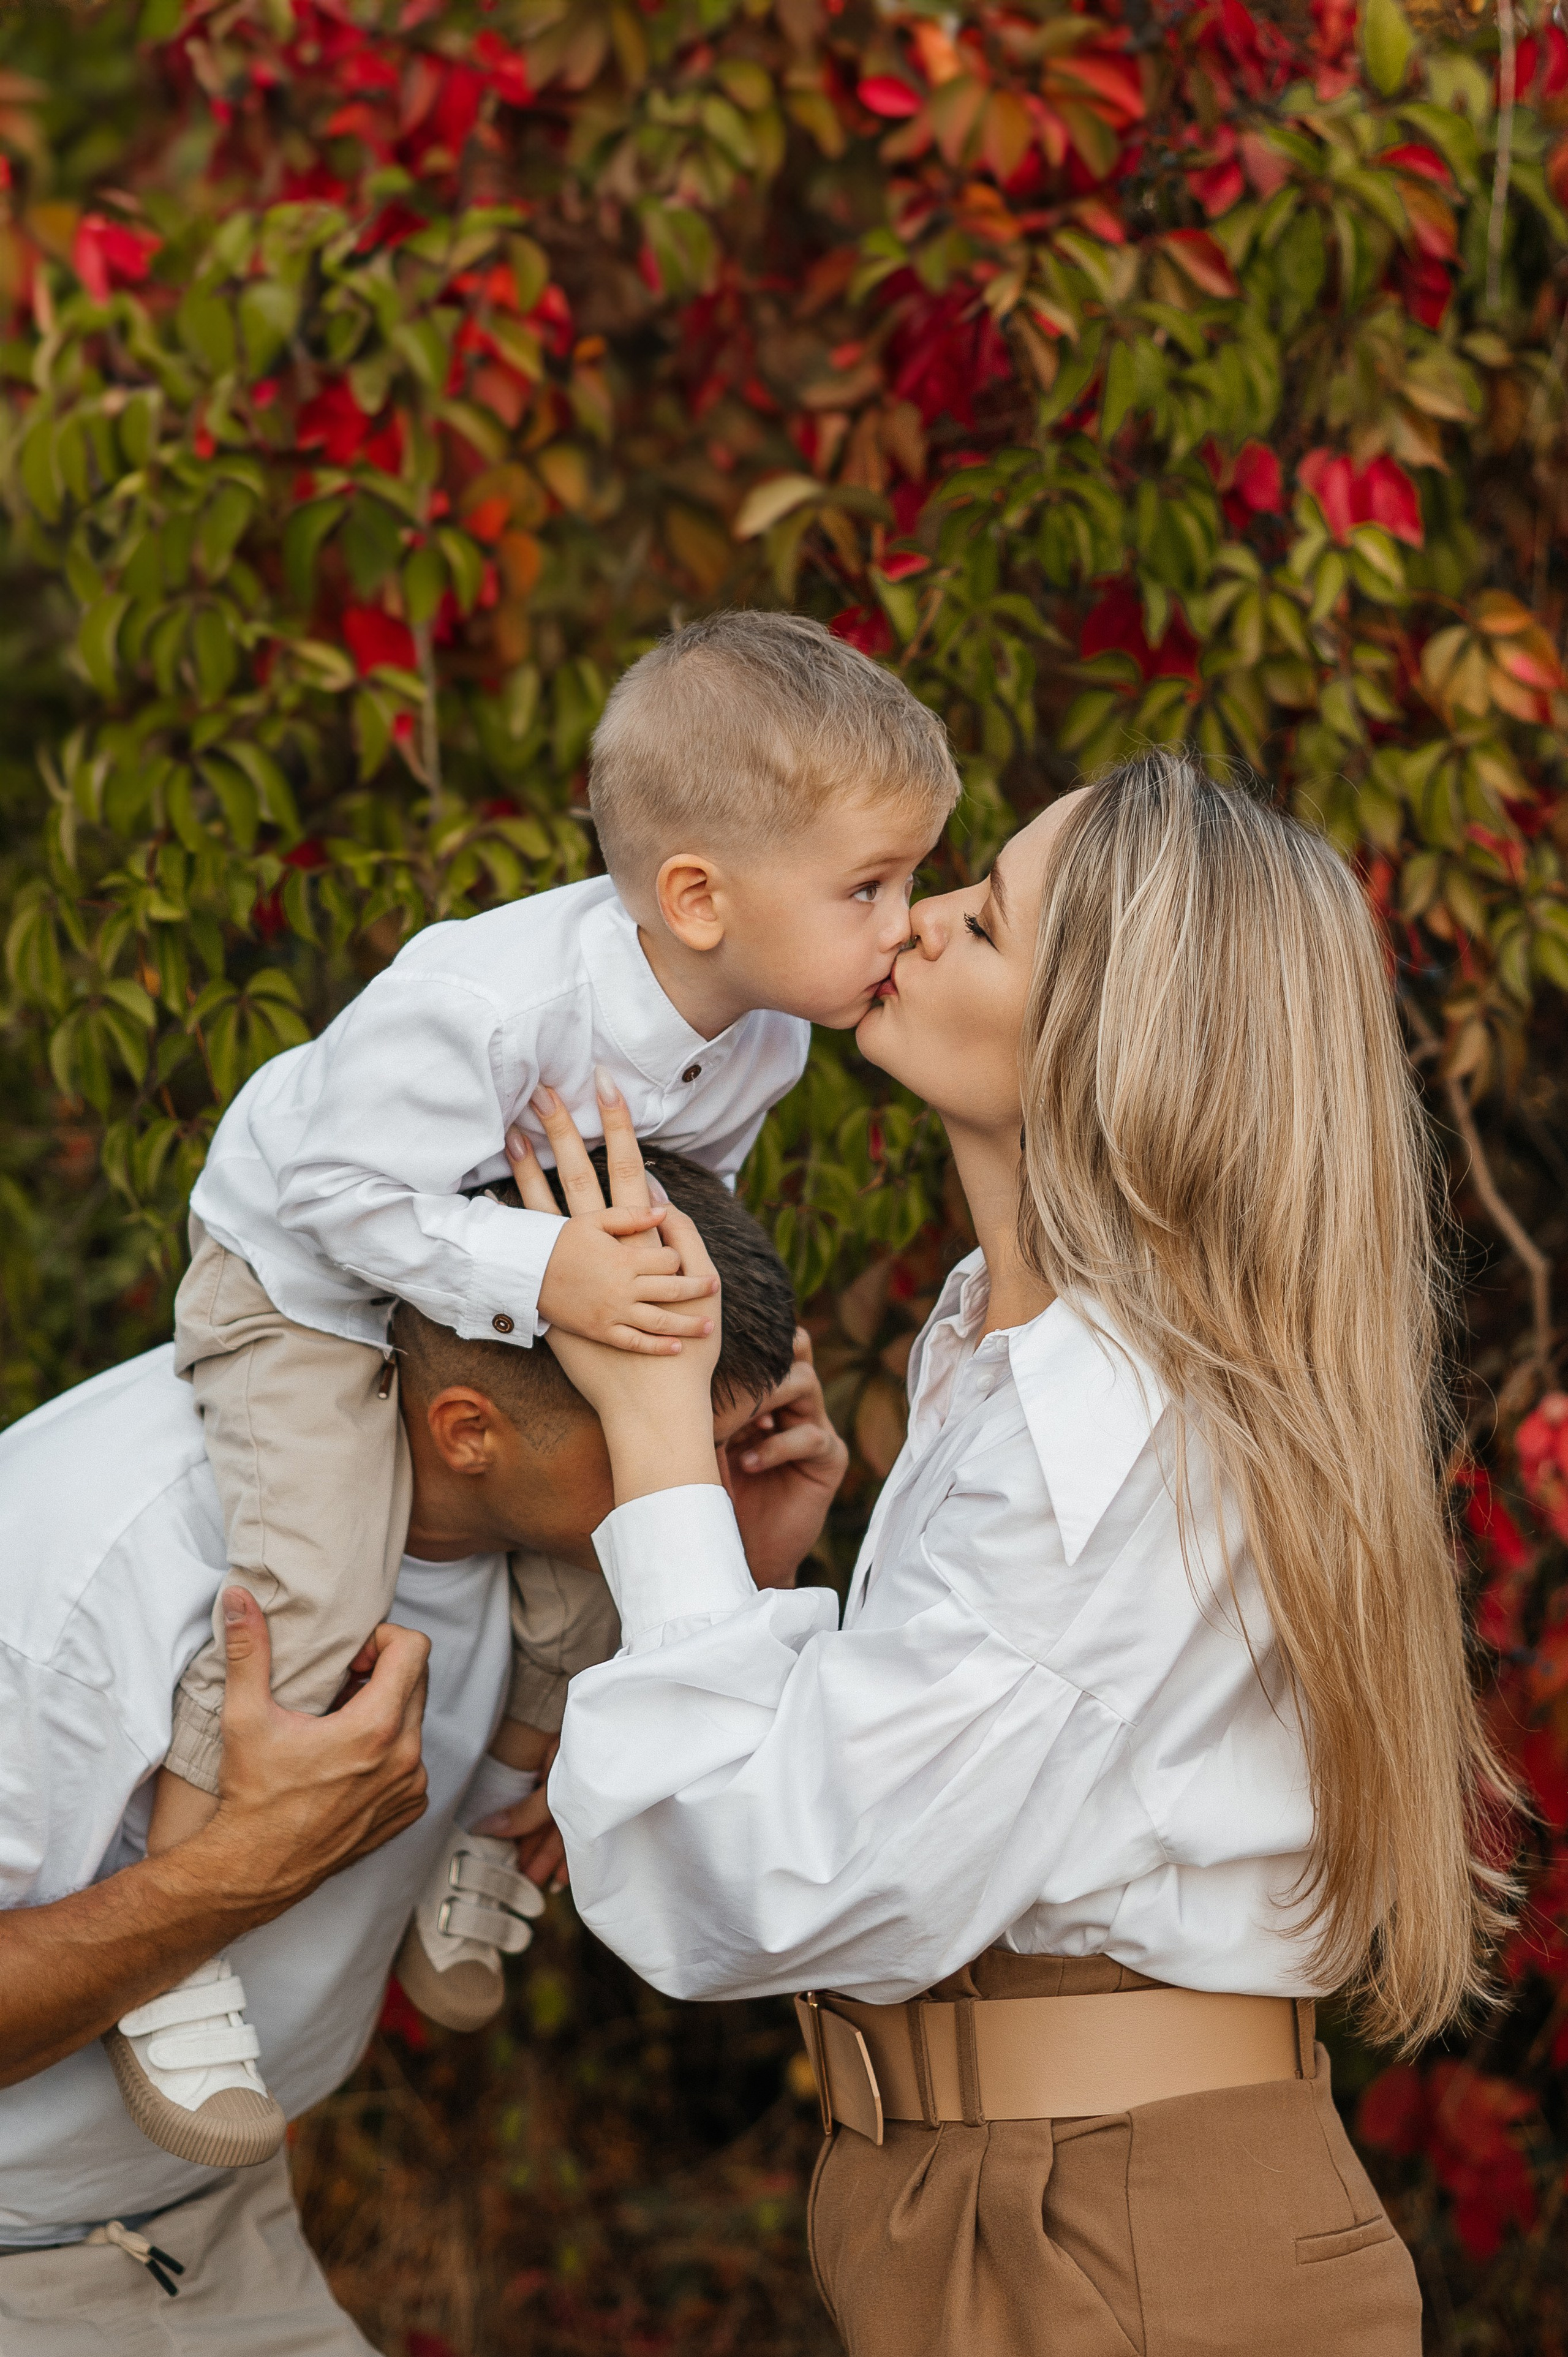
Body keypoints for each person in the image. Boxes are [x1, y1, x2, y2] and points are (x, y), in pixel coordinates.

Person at [543, 752, 1511, 2356]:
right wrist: (769, 1585)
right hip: (1010, 2207)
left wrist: (653, 1439)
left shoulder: (1110, 1457)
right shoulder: (1004, 1365)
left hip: (1117, 2241)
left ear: (1113, 1047)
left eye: (984, 921)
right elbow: (928, 1824)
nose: (911, 925)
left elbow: (753, 1884)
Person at [123, 609, 956, 2162]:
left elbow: (676, 1193)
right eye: (870, 888)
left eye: (906, 882)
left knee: (592, 1584)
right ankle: (167, 1947)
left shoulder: (762, 1031)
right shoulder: (492, 1003)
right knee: (306, 1581)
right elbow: (327, 1188)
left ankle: (488, 1844)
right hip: (303, 1280)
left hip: (487, 1308)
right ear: (698, 897)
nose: (902, 926)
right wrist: (550, 1280)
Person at [0, 1156, 843, 2352]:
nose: (685, 1489)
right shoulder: (88, 1577)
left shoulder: (551, 1549)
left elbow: (724, 1815)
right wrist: (239, 1868)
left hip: (216, 2228)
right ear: (469, 1432)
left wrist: (746, 1565)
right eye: (656, 1441)